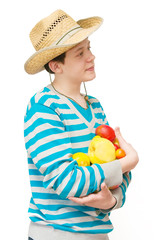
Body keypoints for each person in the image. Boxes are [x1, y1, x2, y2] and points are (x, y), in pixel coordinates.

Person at [24, 9, 139, 240]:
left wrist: (112, 200)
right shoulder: (43, 107)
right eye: (80, 53)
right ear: (56, 66)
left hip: (97, 235)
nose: (91, 57)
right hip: (56, 234)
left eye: (89, 48)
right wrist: (130, 161)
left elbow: (117, 169)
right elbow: (68, 181)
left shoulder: (95, 106)